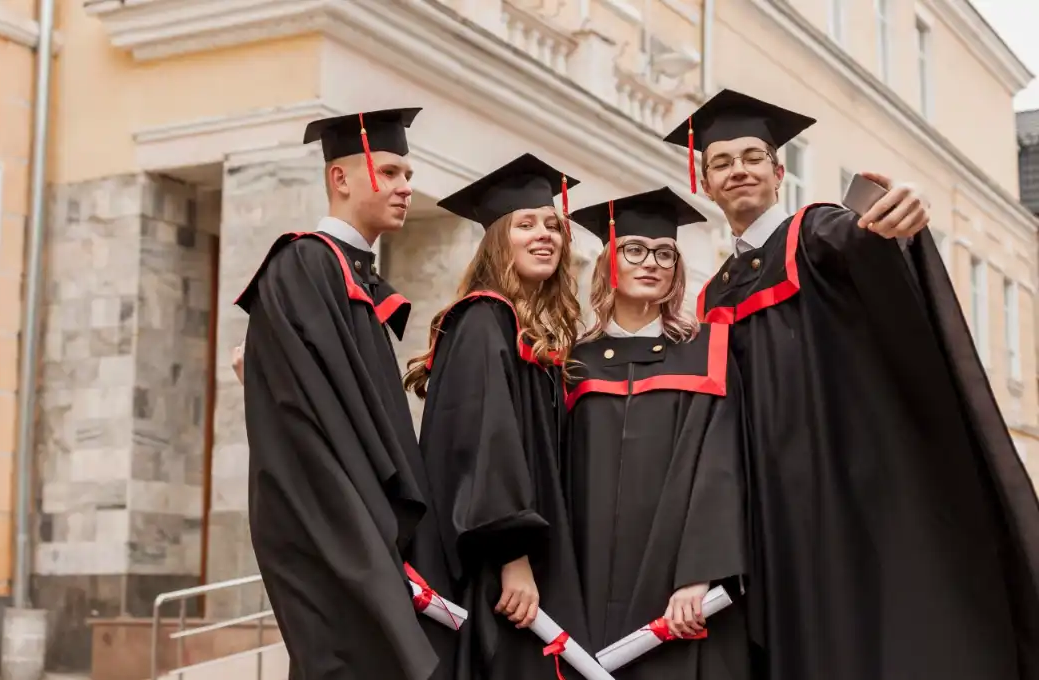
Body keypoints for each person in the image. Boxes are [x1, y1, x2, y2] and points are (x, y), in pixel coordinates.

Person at [662, 89, 1039, 680]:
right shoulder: (712, 294)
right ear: (706, 184)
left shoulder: (813, 231)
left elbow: (864, 236)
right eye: (722, 162)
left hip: (836, 478)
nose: (739, 169)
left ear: (779, 173)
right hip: (765, 500)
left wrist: (896, 216)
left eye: (753, 157)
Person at [235, 107, 438, 680]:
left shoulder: (351, 272)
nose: (405, 187)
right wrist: (369, 531)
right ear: (340, 178)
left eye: (408, 175)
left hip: (363, 521)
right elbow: (310, 418)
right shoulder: (305, 263)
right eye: (390, 172)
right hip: (333, 522)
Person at [401, 153, 589, 680]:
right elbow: (485, 442)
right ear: (496, 242)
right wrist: (513, 557)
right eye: (525, 224)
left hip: (520, 550)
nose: (544, 234)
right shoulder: (484, 318)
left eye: (551, 224)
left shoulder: (522, 330)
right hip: (495, 559)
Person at [563, 187, 749, 680]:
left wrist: (698, 574)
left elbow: (722, 467)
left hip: (674, 581)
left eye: (665, 253)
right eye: (634, 250)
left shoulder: (706, 353)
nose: (651, 262)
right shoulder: (572, 363)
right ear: (608, 264)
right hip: (583, 572)